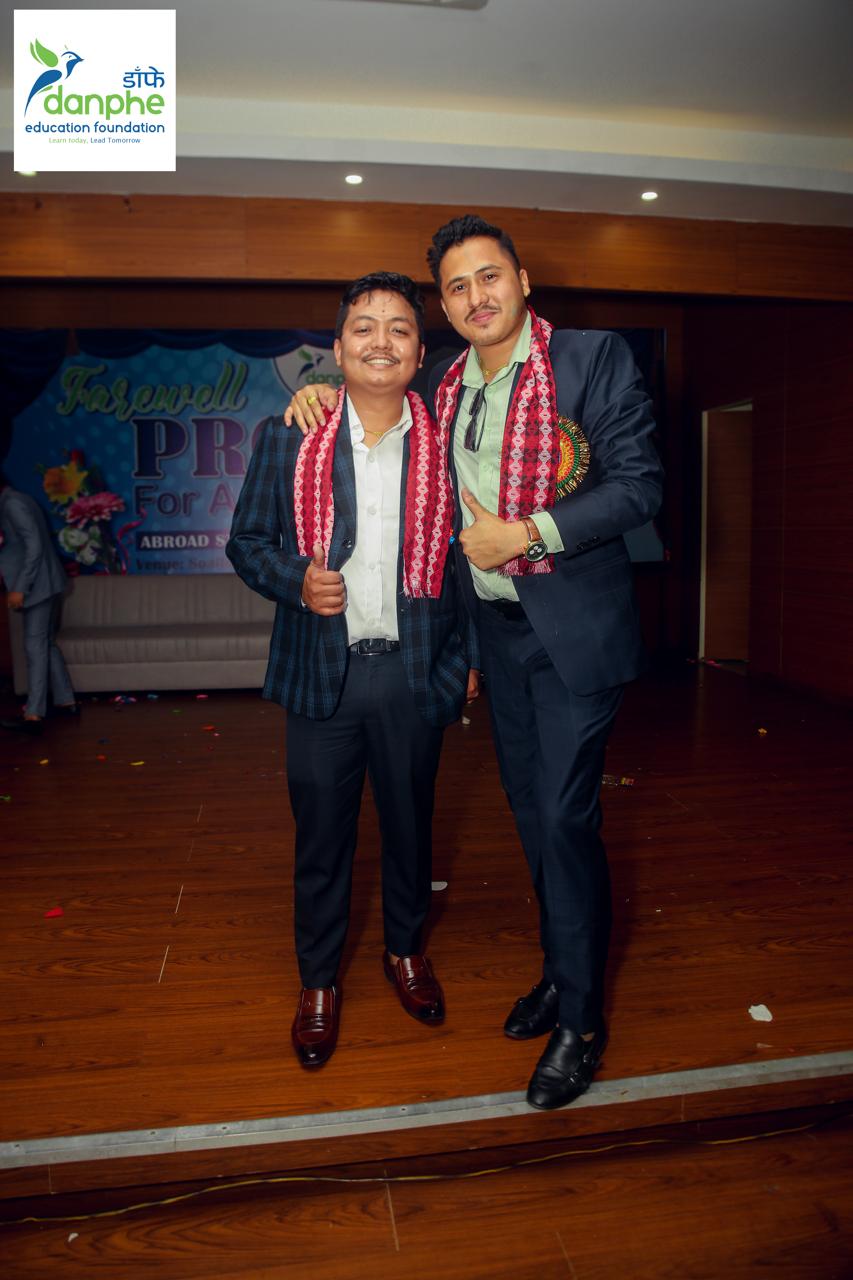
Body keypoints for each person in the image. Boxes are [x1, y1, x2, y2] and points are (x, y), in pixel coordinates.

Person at [286, 215, 663, 1108]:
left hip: (573, 634)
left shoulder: (590, 359)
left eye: (488, 277)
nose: (475, 297)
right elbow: (368, 394)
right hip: (496, 635)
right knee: (532, 818)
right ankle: (562, 973)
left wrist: (528, 532)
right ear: (446, 309)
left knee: (564, 819)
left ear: (522, 281)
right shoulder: (444, 386)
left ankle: (582, 1023)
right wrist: (312, 392)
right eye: (456, 287)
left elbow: (638, 485)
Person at [227, 272, 477, 1070]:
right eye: (363, 327)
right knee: (322, 839)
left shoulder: (449, 444)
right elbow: (246, 543)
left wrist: (467, 658)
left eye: (399, 328)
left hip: (414, 671)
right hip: (320, 677)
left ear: (419, 353)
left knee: (410, 830)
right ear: (337, 350)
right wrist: (295, 580)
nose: (380, 341)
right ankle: (317, 981)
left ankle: (405, 950)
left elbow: (471, 564)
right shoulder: (290, 436)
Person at [0, 473, 77, 733]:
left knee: (34, 646)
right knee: (45, 643)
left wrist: (20, 588)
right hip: (48, 581)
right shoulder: (19, 499)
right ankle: (66, 701)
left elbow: (34, 547)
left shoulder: (12, 504)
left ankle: (33, 714)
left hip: (37, 585)